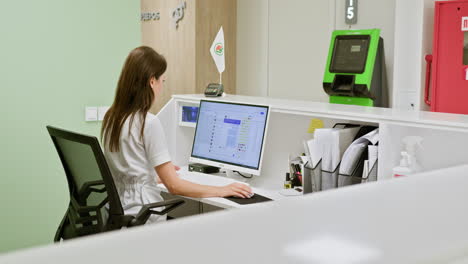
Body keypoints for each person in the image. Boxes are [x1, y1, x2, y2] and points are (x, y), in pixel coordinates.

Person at [101, 46, 252, 223]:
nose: (161, 87)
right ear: (152, 81)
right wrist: (222, 190)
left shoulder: (112, 117)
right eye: (162, 81)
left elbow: (126, 169)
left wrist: (152, 176)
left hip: (118, 212)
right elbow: (174, 186)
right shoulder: (148, 123)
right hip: (143, 215)